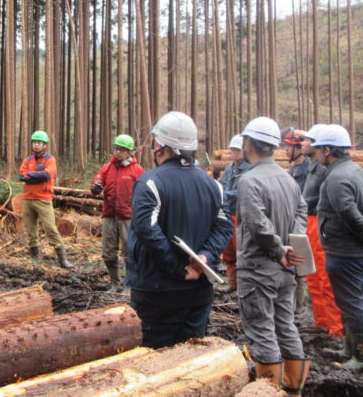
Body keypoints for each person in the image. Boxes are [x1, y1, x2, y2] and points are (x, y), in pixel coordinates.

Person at [125, 111, 232, 349]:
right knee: (190, 362)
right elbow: (224, 226)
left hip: (156, 293)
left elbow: (146, 230)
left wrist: (178, 269)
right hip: (198, 293)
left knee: (153, 362)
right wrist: (206, 256)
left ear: (161, 147)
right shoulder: (213, 185)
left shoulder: (150, 182)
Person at [235, 116, 309, 396]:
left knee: (262, 332)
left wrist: (279, 250)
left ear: (249, 143)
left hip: (258, 270)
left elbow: (257, 225)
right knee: (286, 327)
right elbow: (302, 211)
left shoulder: (249, 180)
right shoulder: (287, 179)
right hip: (285, 271)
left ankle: (270, 391)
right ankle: (293, 390)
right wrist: (291, 245)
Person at [313, 124, 363, 373]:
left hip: (345, 252)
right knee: (349, 301)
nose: (315, 154)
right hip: (353, 251)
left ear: (328, 149)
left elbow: (352, 218)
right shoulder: (357, 171)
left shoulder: (337, 178)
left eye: (318, 150)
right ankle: (349, 349)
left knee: (352, 303)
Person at [300, 124, 343, 338]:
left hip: (319, 222)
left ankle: (336, 328)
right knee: (313, 275)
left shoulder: (326, 169)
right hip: (308, 221)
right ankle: (321, 321)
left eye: (308, 140)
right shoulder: (312, 166)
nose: (303, 143)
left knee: (325, 276)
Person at [90, 134, 145, 291]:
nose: (117, 152)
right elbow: (96, 183)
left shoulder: (137, 170)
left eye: (121, 150)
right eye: (116, 148)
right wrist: (96, 187)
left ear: (129, 152)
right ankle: (114, 282)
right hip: (109, 216)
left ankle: (129, 283)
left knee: (129, 251)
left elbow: (143, 193)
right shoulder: (107, 168)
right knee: (108, 252)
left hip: (128, 217)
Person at [19, 130, 73, 269]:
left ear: (45, 145)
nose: (36, 145)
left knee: (50, 228)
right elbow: (22, 176)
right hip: (28, 199)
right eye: (34, 142)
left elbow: (47, 175)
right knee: (31, 230)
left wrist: (31, 175)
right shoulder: (27, 160)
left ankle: (63, 259)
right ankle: (35, 258)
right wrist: (35, 175)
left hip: (43, 199)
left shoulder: (50, 159)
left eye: (39, 143)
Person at [281, 127, 312, 315]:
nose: (285, 150)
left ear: (299, 148)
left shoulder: (307, 171)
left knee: (301, 270)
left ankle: (300, 309)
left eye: (289, 146)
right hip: (290, 223)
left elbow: (304, 202)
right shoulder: (293, 170)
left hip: (302, 224)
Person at [219, 134, 250, 291]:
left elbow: (240, 192)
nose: (234, 153)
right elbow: (222, 184)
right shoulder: (230, 168)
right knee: (229, 251)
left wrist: (224, 194)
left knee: (241, 251)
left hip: (241, 215)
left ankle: (243, 286)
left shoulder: (249, 170)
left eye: (237, 150)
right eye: (232, 150)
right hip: (227, 213)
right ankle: (232, 284)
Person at [281, 127, 309, 192]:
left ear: (300, 148)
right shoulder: (295, 168)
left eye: (290, 146)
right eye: (286, 145)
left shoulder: (306, 170)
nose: (286, 149)